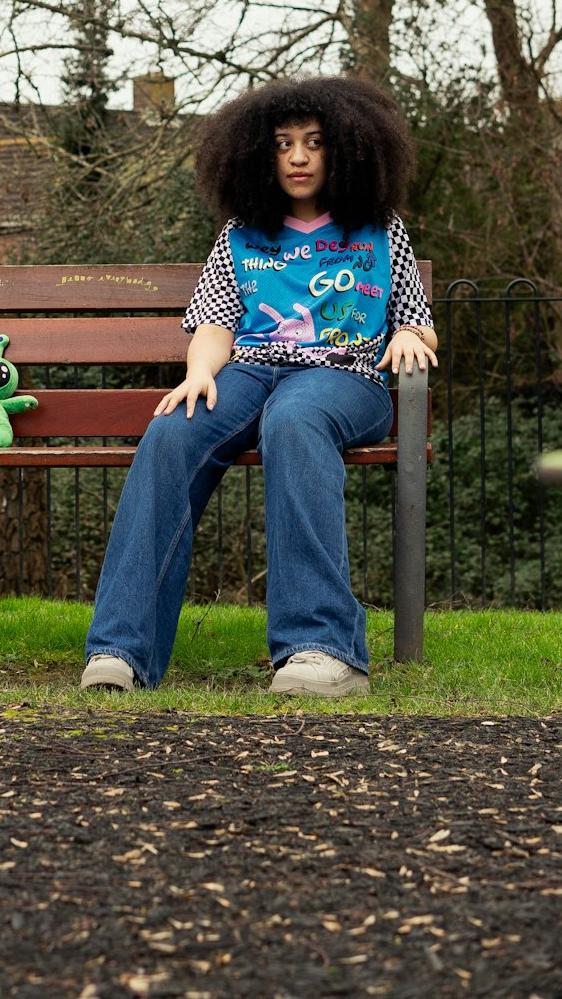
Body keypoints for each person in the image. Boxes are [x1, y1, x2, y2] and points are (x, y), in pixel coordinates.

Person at [81, 74, 437, 698]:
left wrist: (412, 333)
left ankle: (322, 649)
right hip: (248, 370)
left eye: (314, 141)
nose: (298, 157)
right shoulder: (241, 235)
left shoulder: (380, 230)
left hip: (344, 377)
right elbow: (216, 326)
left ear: (347, 149)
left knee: (293, 420)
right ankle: (121, 650)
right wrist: (198, 372)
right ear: (257, 153)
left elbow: (414, 322)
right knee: (171, 433)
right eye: (282, 143)